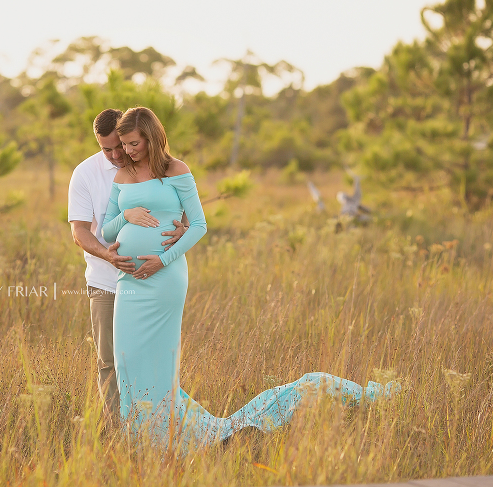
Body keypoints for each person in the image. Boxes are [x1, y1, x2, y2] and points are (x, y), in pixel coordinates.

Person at [101, 107, 398, 450]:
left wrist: (163, 260)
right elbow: (107, 229)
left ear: (151, 137)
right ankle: (140, 438)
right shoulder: (122, 176)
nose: (127, 151)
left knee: (158, 363)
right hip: (129, 283)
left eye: (134, 143)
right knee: (126, 359)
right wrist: (127, 213)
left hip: (165, 278)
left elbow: (198, 225)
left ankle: (167, 440)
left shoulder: (176, 171)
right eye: (123, 144)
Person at [67, 109, 188, 424]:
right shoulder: (85, 173)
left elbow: (182, 210)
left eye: (119, 146)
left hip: (152, 282)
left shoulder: (156, 166)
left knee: (153, 358)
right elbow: (79, 231)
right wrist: (109, 255)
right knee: (110, 361)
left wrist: (183, 228)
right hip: (106, 282)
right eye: (106, 149)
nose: (115, 155)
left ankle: (157, 427)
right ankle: (118, 434)